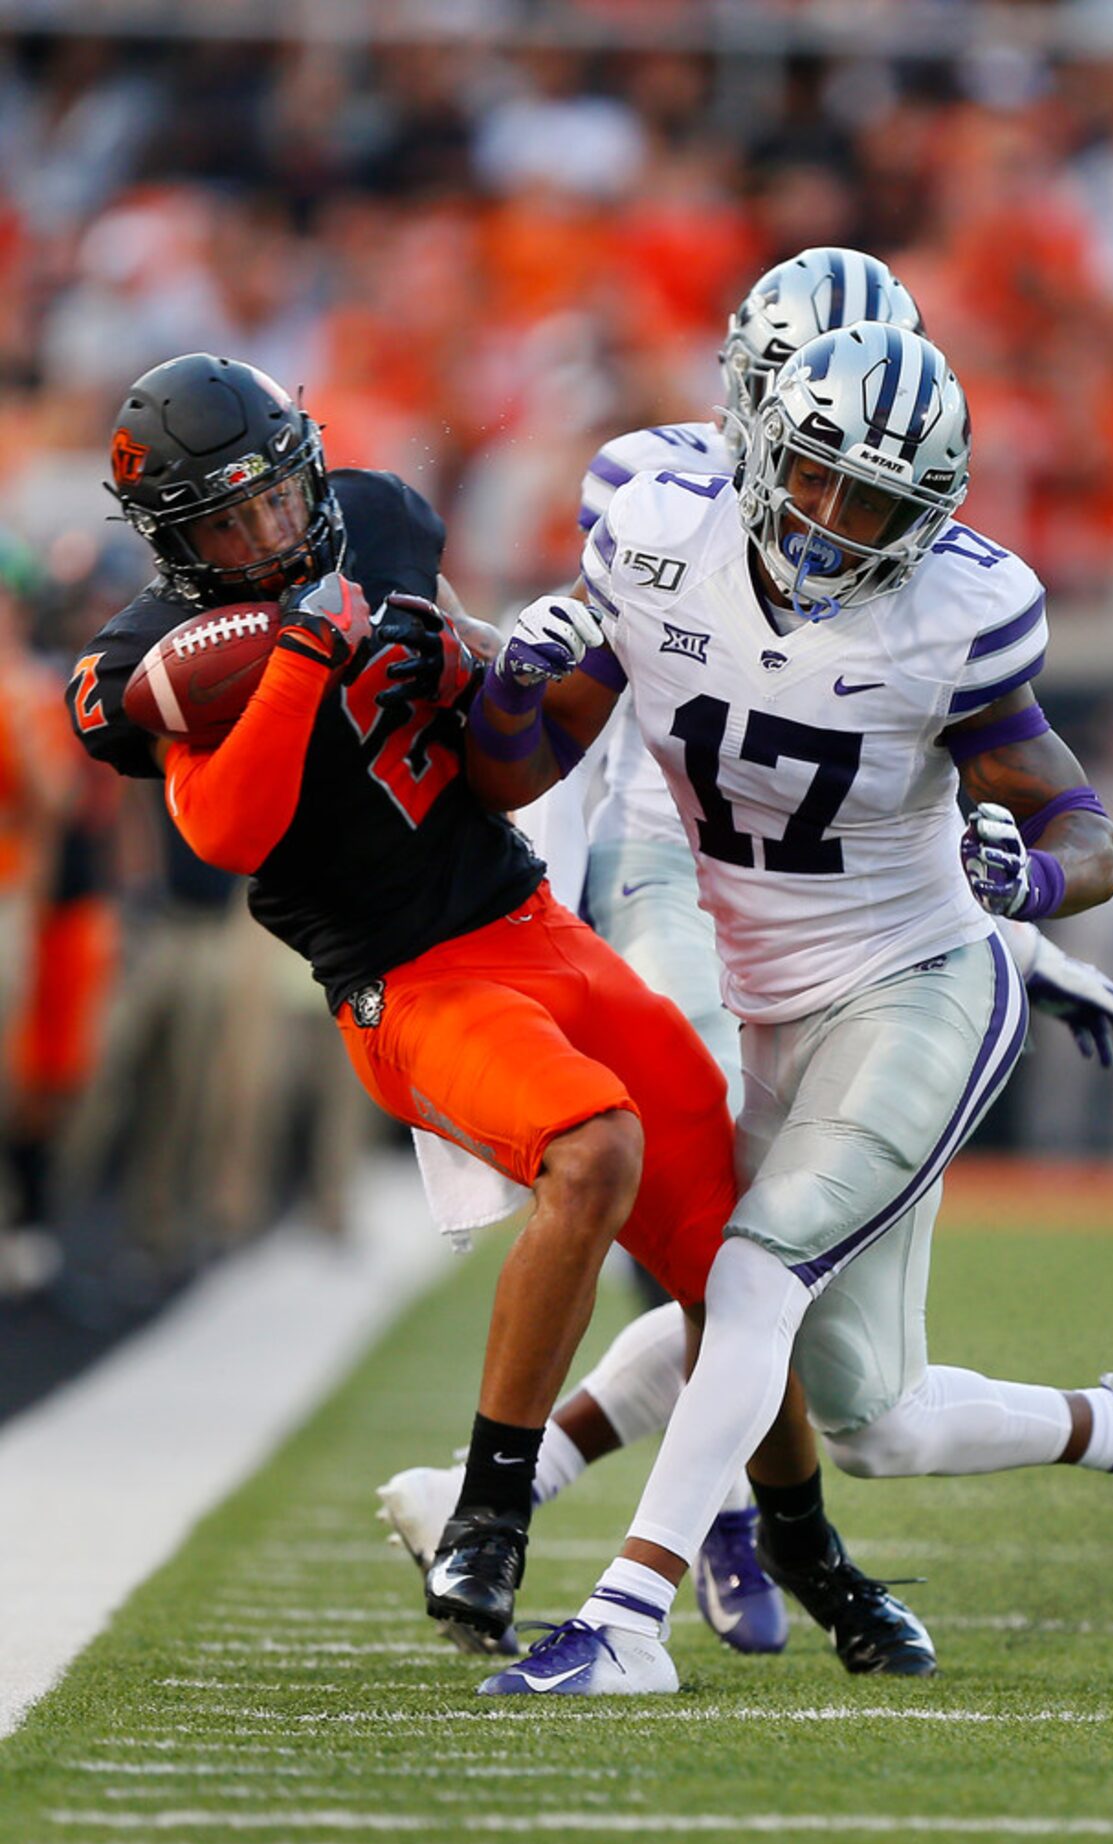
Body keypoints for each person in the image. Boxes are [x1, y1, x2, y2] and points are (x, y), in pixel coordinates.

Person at [382, 249, 1113, 1669]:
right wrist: (512, 682)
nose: (839, 522)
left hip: (907, 977)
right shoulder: (653, 522)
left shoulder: (957, 611)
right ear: (752, 427)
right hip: (733, 949)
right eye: (818, 476)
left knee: (746, 1270)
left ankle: (626, 1606)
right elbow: (512, 765)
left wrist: (1027, 892)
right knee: (868, 1412)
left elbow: (1073, 820)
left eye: (880, 503)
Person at [64, 352, 748, 1654]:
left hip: (532, 919)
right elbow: (227, 831)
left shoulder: (379, 520)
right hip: (406, 976)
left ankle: (796, 1537)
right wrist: (303, 653)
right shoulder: (150, 658)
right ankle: (491, 1517)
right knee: (594, 1151)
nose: (268, 531)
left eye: (275, 498)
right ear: (174, 539)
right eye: (227, 519)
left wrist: (481, 656)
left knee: (741, 1253)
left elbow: (490, 740)